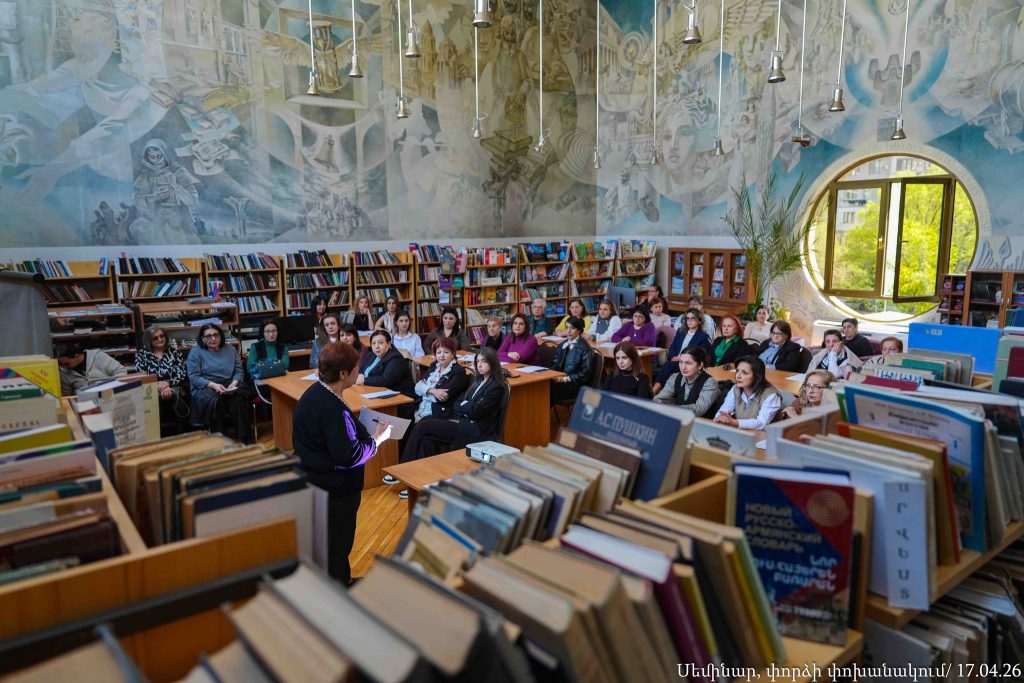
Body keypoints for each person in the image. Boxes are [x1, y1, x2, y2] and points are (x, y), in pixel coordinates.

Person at [292, 342, 392, 584]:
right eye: (356, 367)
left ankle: (336, 581)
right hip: (335, 489)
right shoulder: (332, 409)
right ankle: (339, 588)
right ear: (343, 374)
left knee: (329, 543)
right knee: (338, 542)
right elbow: (350, 456)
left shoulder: (317, 393)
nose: (360, 370)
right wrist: (378, 439)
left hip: (317, 481)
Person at [402, 346, 509, 464]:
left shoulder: (496, 386)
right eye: (478, 361)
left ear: (492, 363)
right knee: (426, 438)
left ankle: (404, 466)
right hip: (462, 422)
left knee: (422, 427)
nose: (479, 365)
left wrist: (466, 406)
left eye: (484, 361)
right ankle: (421, 471)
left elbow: (476, 411)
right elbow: (457, 404)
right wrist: (467, 406)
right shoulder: (477, 381)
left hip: (476, 430)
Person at [186, 324, 252, 442]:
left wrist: (234, 383)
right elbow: (194, 377)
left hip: (229, 385)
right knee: (217, 403)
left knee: (239, 400)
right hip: (206, 386)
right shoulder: (195, 352)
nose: (213, 338)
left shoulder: (231, 349)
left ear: (220, 336)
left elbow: (238, 371)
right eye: (209, 336)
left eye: (216, 335)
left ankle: (245, 439)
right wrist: (213, 385)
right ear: (203, 339)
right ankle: (220, 440)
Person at [134, 326, 188, 431]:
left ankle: (182, 436)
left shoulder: (175, 352)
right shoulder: (142, 354)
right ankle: (155, 437)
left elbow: (181, 374)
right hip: (151, 391)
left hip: (173, 389)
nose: (160, 339)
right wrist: (159, 387)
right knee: (152, 407)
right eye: (155, 338)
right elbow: (142, 377)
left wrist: (168, 383)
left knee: (180, 407)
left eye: (162, 336)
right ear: (149, 340)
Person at [653, 308, 713, 393]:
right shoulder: (681, 332)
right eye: (687, 318)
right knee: (665, 367)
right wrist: (672, 357)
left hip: (689, 364)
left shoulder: (703, 337)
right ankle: (660, 391)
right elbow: (672, 348)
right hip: (675, 361)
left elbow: (700, 356)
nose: (689, 321)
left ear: (699, 321)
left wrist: (681, 358)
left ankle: (654, 390)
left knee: (667, 366)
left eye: (693, 318)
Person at [714, 356, 782, 430]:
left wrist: (736, 423)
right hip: (741, 433)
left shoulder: (771, 395)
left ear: (757, 376)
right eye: (737, 371)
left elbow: (762, 424)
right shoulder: (735, 389)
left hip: (765, 435)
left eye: (744, 373)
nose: (738, 376)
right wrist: (720, 418)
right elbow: (723, 411)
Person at [654, 346, 722, 417]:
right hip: (680, 418)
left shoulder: (710, 382)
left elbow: (699, 409)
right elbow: (661, 399)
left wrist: (672, 409)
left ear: (700, 365)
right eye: (681, 362)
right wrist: (656, 403)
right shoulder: (675, 377)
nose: (683, 367)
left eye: (688, 363)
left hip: (702, 421)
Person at [355, 330, 416, 408]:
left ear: (389, 344)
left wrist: (364, 380)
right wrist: (360, 374)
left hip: (400, 399)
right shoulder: (371, 355)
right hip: (373, 392)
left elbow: (385, 380)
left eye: (381, 343)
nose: (377, 346)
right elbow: (362, 368)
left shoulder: (395, 358)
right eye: (373, 343)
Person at [551, 316, 594, 404]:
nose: (568, 331)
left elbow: (584, 374)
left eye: (572, 328)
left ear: (579, 330)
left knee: (546, 390)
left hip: (575, 385)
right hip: (561, 381)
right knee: (542, 385)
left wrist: (564, 379)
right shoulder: (562, 345)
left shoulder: (585, 349)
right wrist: (550, 375)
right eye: (567, 327)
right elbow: (555, 364)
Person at [56, 342, 127, 395]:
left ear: (76, 356)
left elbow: (121, 371)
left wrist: (111, 387)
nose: (64, 367)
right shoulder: (64, 372)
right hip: (84, 403)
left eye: (67, 363)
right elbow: (67, 396)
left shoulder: (98, 356)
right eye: (61, 364)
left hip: (109, 395)